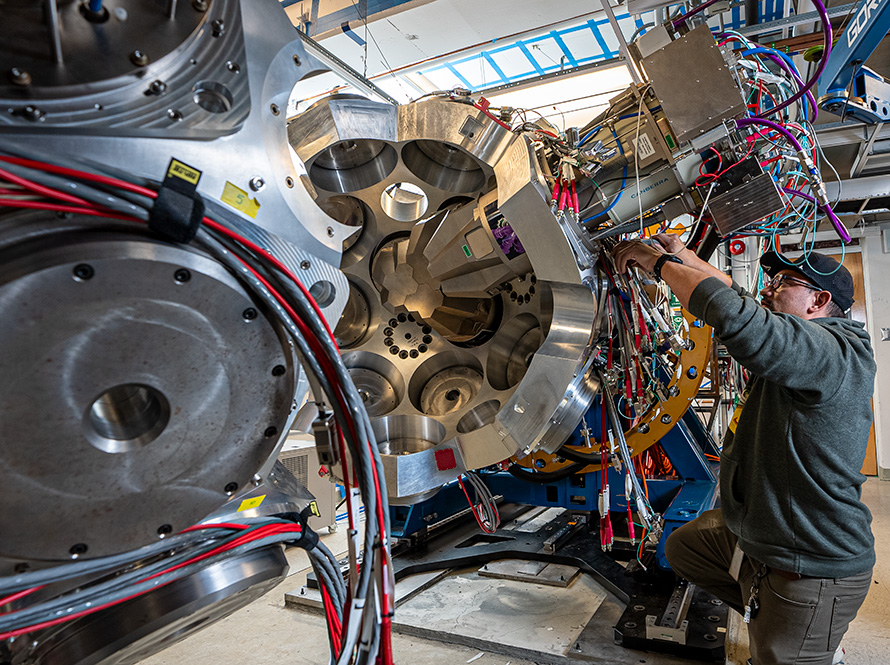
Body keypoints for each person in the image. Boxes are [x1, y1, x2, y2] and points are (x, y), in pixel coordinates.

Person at [613, 234, 876, 665]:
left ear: (819, 300)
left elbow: (742, 319)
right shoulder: (804, 346)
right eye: (771, 279)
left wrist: (657, 264)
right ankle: (781, 620)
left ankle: (807, 635)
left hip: (810, 561)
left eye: (784, 282)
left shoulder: (832, 350)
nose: (768, 288)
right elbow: (740, 300)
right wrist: (685, 256)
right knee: (684, 548)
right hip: (765, 540)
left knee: (775, 656)